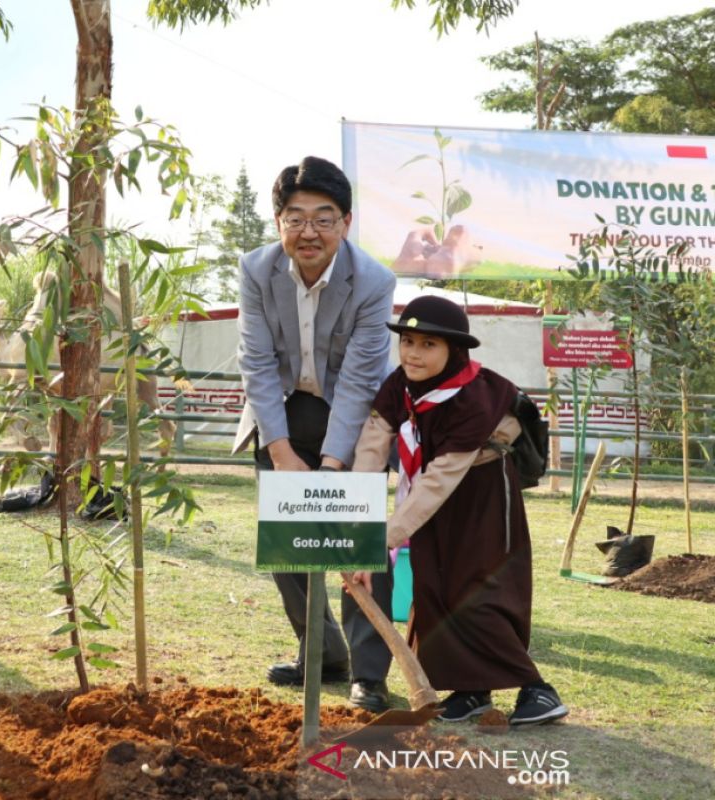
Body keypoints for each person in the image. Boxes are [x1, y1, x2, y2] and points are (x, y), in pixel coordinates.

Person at [349, 295, 568, 727]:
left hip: (482, 497)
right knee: (434, 586)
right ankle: (470, 692)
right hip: (435, 499)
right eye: (407, 341)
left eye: (428, 344)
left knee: (478, 591)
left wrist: (382, 539)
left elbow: (440, 479)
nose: (413, 353)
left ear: (454, 350)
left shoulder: (475, 396)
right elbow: (372, 446)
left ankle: (537, 690)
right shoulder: (399, 384)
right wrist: (358, 530)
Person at [233, 156, 397, 712]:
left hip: (351, 417)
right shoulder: (256, 270)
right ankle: (322, 652)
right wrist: (280, 453)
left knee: (359, 543)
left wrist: (330, 471)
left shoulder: (374, 281)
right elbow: (255, 362)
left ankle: (368, 675)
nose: (309, 232)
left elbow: (359, 378)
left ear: (346, 223)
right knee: (288, 546)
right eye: (296, 218)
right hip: (280, 412)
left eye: (324, 219)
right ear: (278, 221)